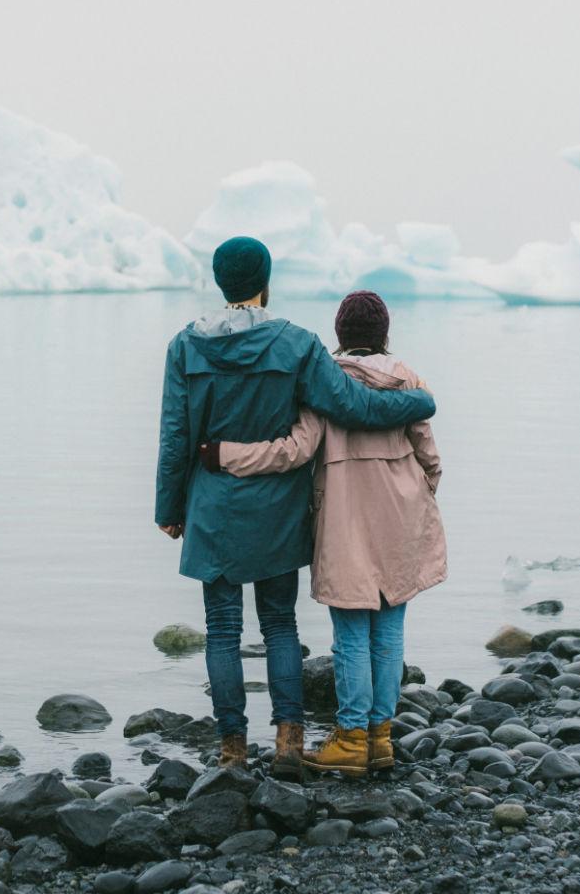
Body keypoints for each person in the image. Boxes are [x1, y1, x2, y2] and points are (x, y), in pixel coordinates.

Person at [156, 238, 437, 777]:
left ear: (220, 281)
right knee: (280, 624)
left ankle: (232, 748)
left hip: (212, 504)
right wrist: (420, 401)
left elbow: (175, 436)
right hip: (279, 508)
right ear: (266, 283)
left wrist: (169, 507)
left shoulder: (185, 347)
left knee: (221, 628)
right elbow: (354, 405)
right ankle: (289, 741)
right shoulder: (297, 345)